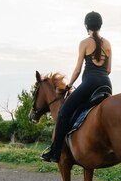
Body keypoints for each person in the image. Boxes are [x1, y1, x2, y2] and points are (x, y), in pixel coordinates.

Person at [40, 11, 112, 162]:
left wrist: (69, 85)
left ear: (87, 26)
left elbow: (78, 69)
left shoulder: (84, 43)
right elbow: (108, 70)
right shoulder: (108, 44)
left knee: (63, 112)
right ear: (100, 26)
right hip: (106, 84)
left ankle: (55, 152)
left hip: (90, 83)